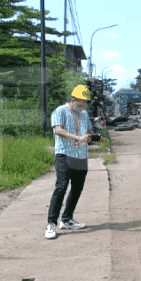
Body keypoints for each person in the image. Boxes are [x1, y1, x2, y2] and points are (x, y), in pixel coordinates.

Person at [46, 84, 103, 240]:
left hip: (81, 155)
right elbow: (58, 130)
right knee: (61, 186)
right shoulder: (60, 111)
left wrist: (93, 136)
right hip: (64, 155)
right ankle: (51, 223)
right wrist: (77, 137)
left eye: (86, 102)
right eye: (82, 101)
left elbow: (88, 131)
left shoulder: (84, 114)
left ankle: (67, 219)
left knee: (77, 189)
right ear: (74, 99)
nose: (84, 104)